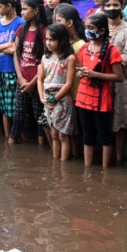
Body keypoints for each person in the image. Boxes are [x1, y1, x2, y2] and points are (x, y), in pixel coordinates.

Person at [75, 12, 126, 167]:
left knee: (105, 135)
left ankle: (105, 170)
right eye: (86, 27)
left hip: (101, 100)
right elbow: (79, 69)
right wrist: (80, 73)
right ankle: (87, 169)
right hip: (83, 98)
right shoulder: (84, 48)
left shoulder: (112, 50)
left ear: (102, 31)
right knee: (87, 135)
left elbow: (119, 76)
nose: (87, 31)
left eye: (91, 28)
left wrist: (95, 74)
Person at [99, 0, 127, 160]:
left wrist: (105, 60)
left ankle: (120, 158)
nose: (111, 8)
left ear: (122, 6)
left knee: (120, 120)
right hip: (99, 77)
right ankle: (102, 156)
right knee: (102, 118)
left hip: (122, 79)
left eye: (115, 5)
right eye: (108, 5)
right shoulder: (99, 26)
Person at [0, 0, 25, 144]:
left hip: (12, 69)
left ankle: (16, 137)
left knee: (15, 106)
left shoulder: (20, 23)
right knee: (3, 106)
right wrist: (7, 46)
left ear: (9, 6)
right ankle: (7, 138)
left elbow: (14, 50)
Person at [38, 23, 78, 161]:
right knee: (54, 134)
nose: (48, 43)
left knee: (63, 135)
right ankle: (56, 164)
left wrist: (54, 98)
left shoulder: (69, 58)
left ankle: (63, 165)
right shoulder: (45, 58)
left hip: (62, 100)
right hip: (48, 99)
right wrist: (42, 98)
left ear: (61, 40)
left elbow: (69, 84)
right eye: (47, 39)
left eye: (52, 39)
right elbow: (40, 80)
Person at [10, 0, 46, 145]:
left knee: (39, 114)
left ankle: (41, 145)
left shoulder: (44, 31)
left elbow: (45, 60)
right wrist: (21, 78)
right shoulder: (21, 29)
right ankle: (11, 143)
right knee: (18, 113)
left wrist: (33, 82)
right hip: (23, 80)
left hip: (38, 81)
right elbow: (16, 55)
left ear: (36, 10)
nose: (22, 12)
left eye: (25, 9)